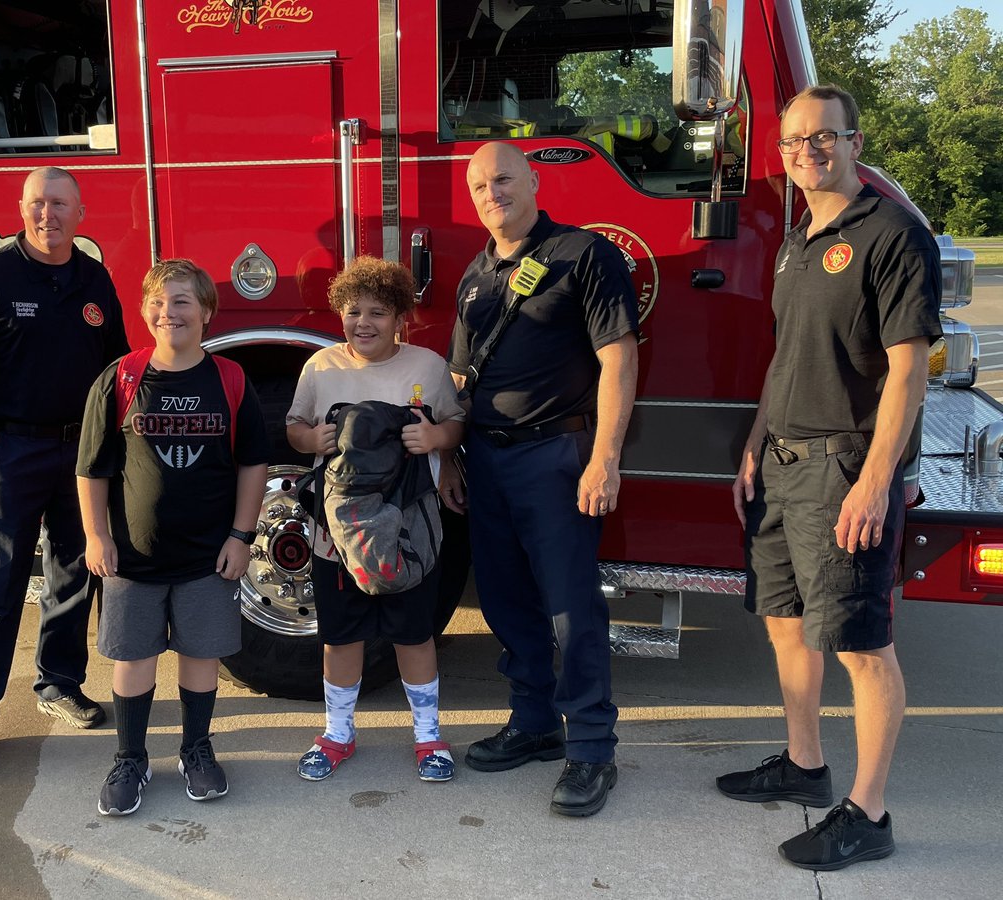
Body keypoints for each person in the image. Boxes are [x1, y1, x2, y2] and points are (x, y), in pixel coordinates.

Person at [719, 85, 942, 870]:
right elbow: (787, 355)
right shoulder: (797, 239)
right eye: (793, 141)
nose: (807, 151)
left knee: (860, 645)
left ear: (854, 143)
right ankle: (804, 765)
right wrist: (755, 442)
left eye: (824, 137)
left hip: (843, 466)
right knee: (785, 624)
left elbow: (909, 370)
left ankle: (869, 814)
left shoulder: (893, 233)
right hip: (782, 464)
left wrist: (876, 480)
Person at [445, 141, 639, 817]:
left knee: (570, 609)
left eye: (503, 179)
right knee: (504, 601)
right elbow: (458, 380)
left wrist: (604, 458)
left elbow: (619, 360)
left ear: (533, 181)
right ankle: (533, 723)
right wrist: (450, 459)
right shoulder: (475, 275)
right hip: (486, 459)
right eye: (478, 186)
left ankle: (591, 747)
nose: (491, 193)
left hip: (556, 456)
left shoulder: (584, 254)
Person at [0, 166, 130, 778]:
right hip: (15, 451)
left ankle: (59, 684)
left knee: (74, 576)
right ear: (22, 210)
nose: (49, 214)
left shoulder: (94, 279)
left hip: (82, 455)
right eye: (38, 203)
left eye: (60, 204)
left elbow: (117, 370)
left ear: (80, 213)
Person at [77, 258, 269, 816]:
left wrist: (241, 536)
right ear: (144, 311)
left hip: (208, 558)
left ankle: (195, 749)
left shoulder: (230, 380)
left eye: (182, 301)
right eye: (158, 302)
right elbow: (92, 468)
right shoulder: (120, 379)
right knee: (133, 658)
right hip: (132, 558)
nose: (169, 312)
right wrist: (96, 535)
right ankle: (130, 758)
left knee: (200, 656)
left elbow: (253, 463)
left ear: (206, 311)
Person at [286, 256, 465, 783]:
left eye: (378, 313)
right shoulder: (320, 367)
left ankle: (428, 736)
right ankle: (337, 734)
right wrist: (309, 437)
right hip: (336, 537)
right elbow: (294, 425)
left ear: (401, 318)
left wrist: (436, 437)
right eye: (352, 311)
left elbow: (456, 423)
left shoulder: (427, 367)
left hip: (411, 532)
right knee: (340, 637)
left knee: (415, 635)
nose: (363, 323)